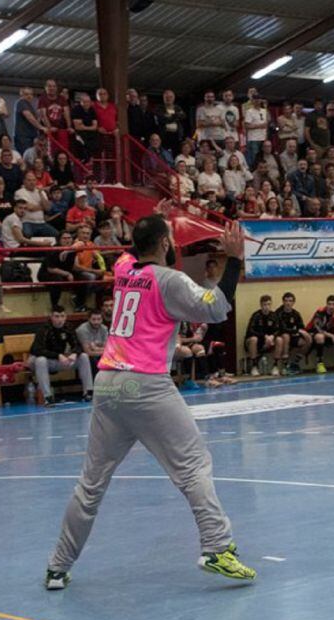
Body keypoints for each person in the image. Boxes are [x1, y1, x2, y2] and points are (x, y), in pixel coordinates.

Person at [45, 216, 255, 590]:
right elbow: (217, 307)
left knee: (91, 483)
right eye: (170, 237)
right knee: (193, 465)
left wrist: (154, 221)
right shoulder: (169, 280)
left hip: (108, 382)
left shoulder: (124, 268)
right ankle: (217, 548)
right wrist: (234, 259)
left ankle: (58, 567)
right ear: (162, 244)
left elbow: (134, 249)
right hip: (145, 383)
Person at [28, 305, 94, 406]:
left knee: (83, 357)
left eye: (62, 316)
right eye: (57, 316)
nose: (60, 319)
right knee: (41, 360)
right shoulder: (44, 329)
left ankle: (88, 392)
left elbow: (77, 345)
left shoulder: (68, 328)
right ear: (51, 317)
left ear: (65, 317)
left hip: (57, 360)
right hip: (38, 361)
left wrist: (75, 353)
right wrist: (58, 355)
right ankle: (48, 397)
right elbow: (37, 350)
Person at [307, 295, 334, 374]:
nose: (331, 306)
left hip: (328, 334)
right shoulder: (320, 312)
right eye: (329, 304)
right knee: (320, 337)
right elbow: (318, 329)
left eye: (333, 304)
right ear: (326, 304)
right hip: (314, 333)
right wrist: (331, 336)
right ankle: (319, 363)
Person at [245, 294, 282, 376]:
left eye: (269, 304)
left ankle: (275, 366)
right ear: (261, 305)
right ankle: (254, 366)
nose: (267, 307)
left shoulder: (274, 315)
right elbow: (250, 330)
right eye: (265, 304)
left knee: (279, 340)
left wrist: (272, 336)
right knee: (253, 339)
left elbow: (279, 330)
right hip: (257, 341)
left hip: (270, 341)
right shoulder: (256, 315)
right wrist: (264, 336)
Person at [275, 291, 311, 374]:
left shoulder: (296, 314)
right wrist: (296, 331)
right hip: (281, 337)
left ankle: (295, 363)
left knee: (307, 339)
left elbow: (301, 327)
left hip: (293, 336)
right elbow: (282, 329)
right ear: (283, 302)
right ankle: (285, 364)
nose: (288, 303)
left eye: (290, 301)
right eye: (286, 301)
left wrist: (303, 333)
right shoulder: (278, 313)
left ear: (293, 302)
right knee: (286, 336)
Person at [76, 309, 109, 375]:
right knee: (94, 360)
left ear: (102, 319)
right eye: (93, 319)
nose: (96, 322)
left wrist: (95, 348)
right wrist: (103, 350)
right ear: (89, 319)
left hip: (98, 354)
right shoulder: (82, 329)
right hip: (83, 355)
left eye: (99, 319)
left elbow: (107, 347)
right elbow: (88, 352)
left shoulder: (104, 328)